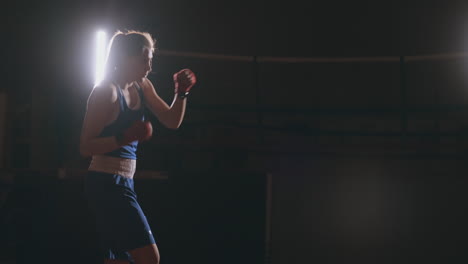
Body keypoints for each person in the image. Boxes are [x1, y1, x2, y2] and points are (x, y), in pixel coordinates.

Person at [80, 30, 196, 264]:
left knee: (118, 261)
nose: (149, 65)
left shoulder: (143, 86)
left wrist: (181, 93)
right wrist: (124, 137)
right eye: (144, 58)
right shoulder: (105, 91)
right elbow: (85, 147)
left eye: (151, 59)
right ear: (125, 57)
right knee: (150, 258)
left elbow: (172, 120)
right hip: (106, 184)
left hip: (123, 182)